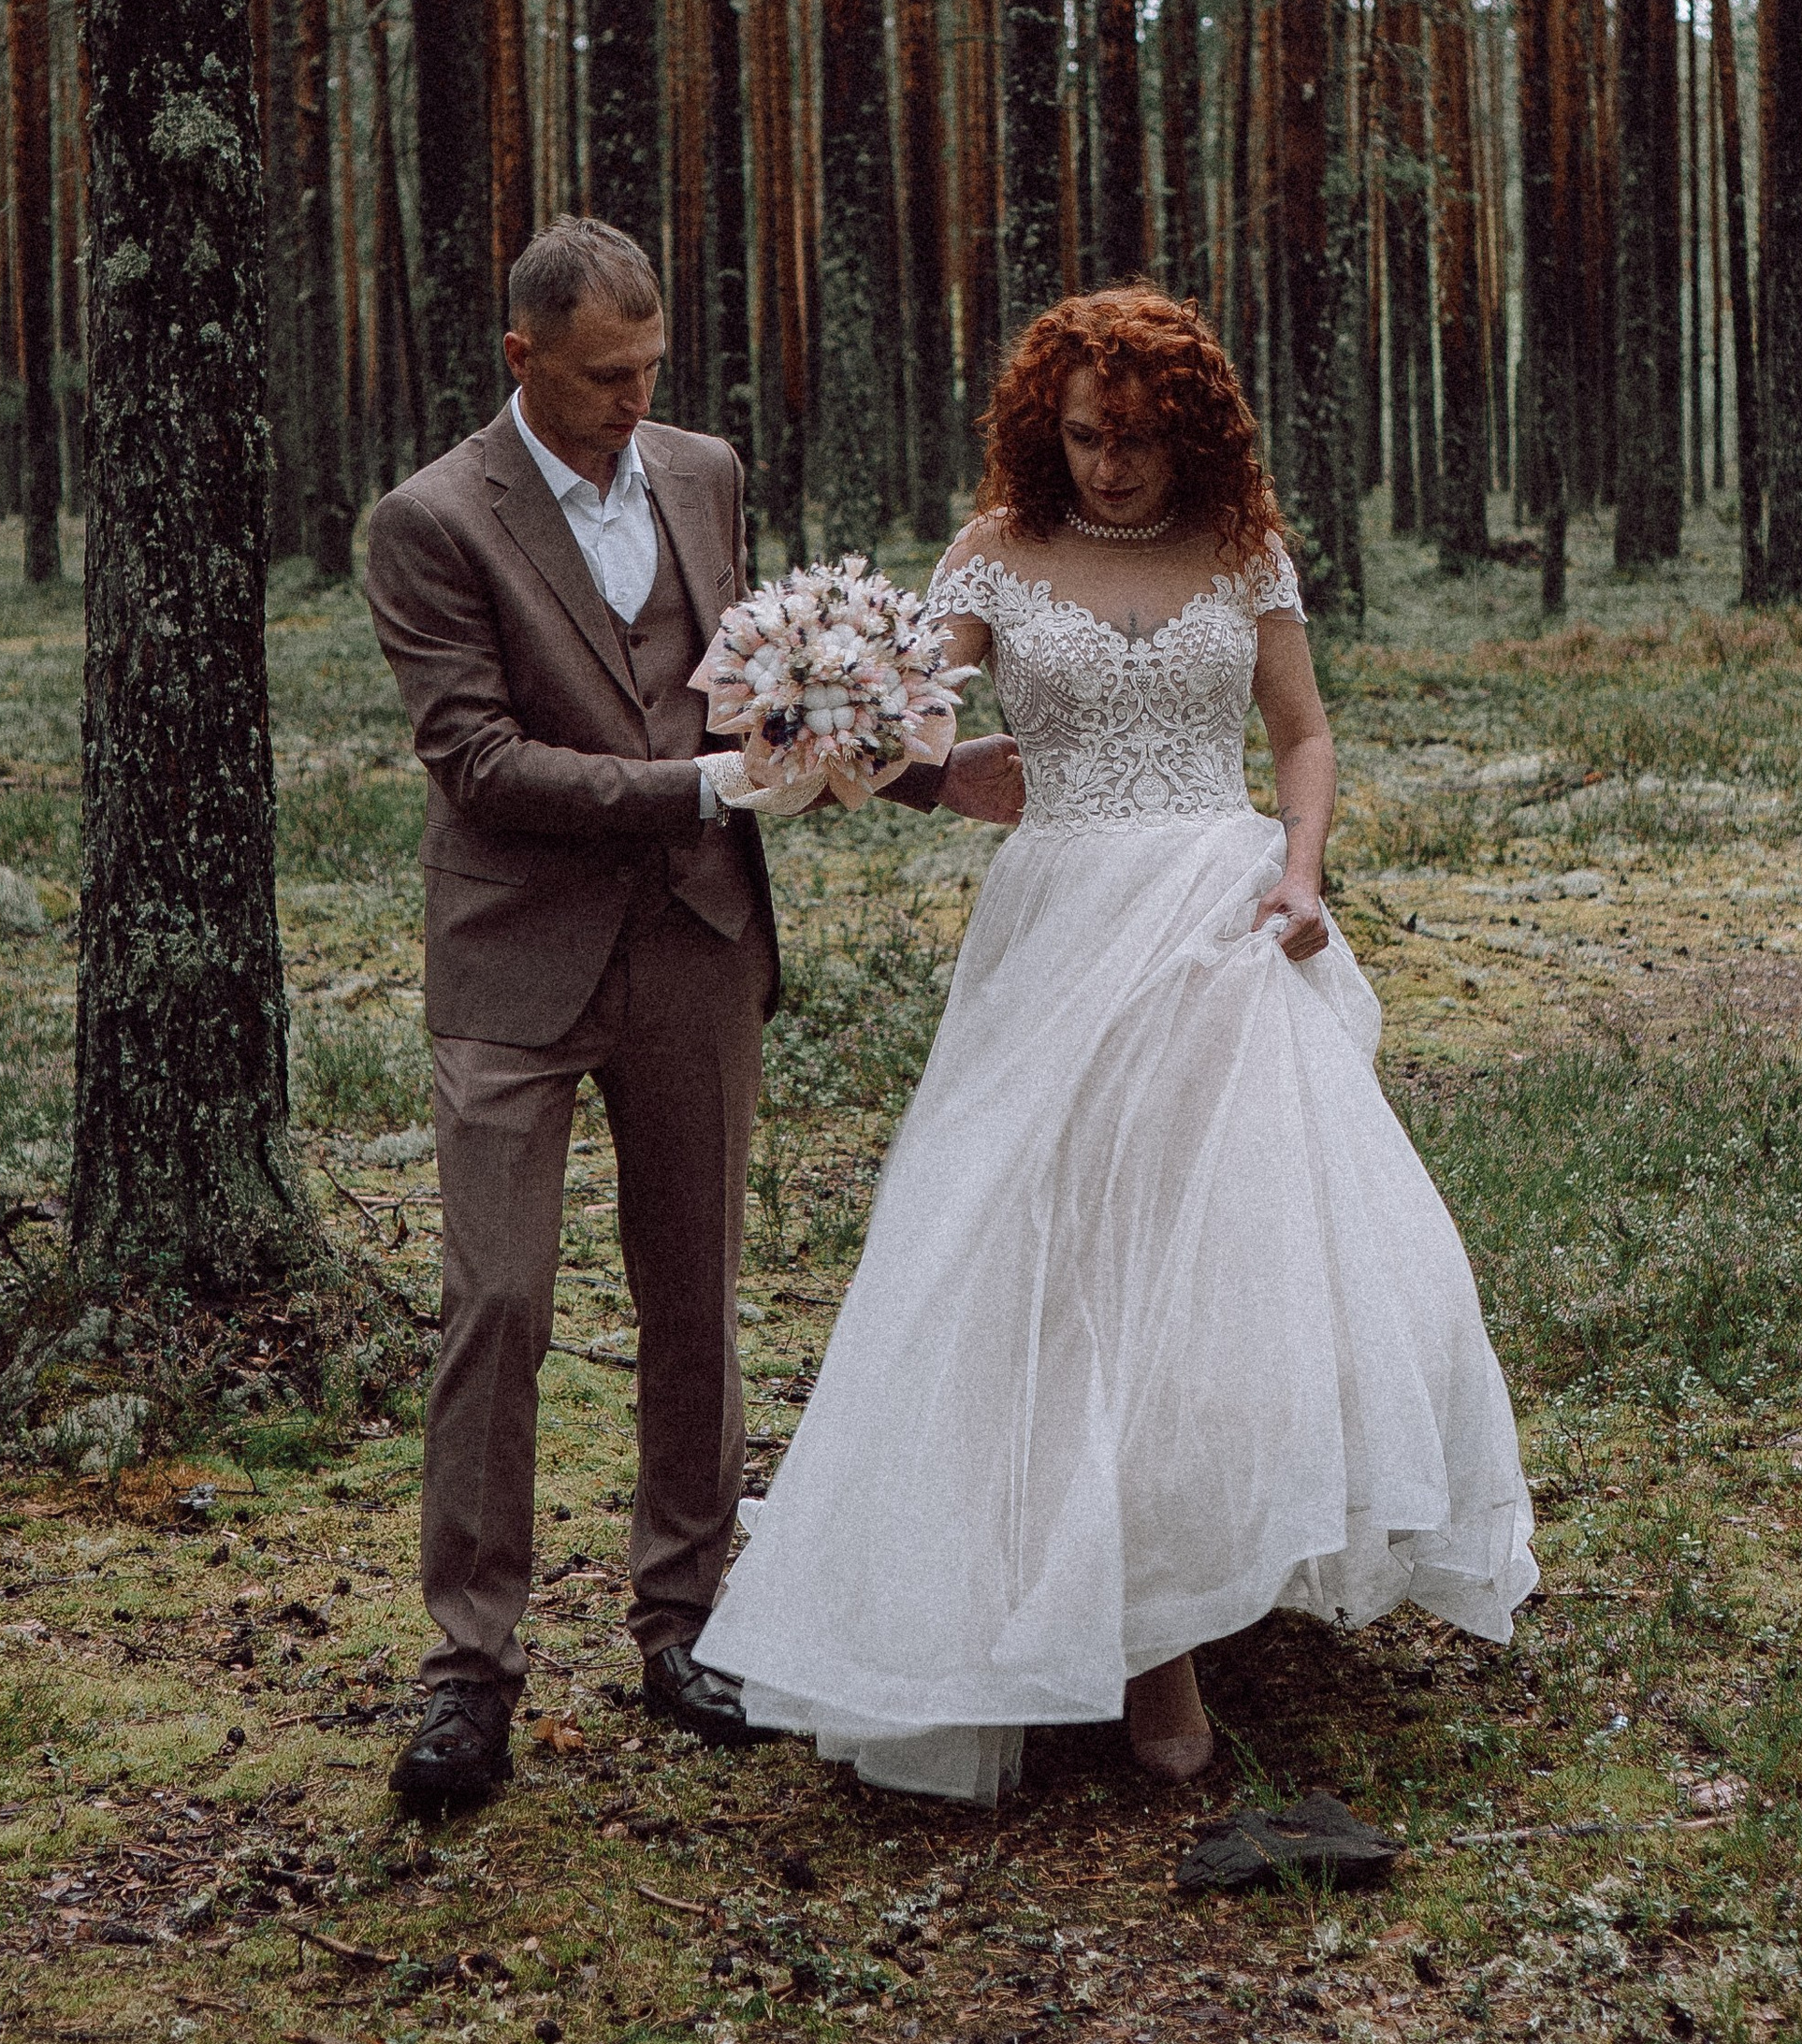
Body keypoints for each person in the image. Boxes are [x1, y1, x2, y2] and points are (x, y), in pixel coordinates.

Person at [696, 284, 1535, 1803]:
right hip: (1061, 929)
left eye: (1141, 437)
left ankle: (1194, 1582)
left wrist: (1301, 871)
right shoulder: (993, 557)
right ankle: (1119, 1633)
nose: (1113, 465)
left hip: (1220, 925)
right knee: (1062, 1253)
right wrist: (880, 748)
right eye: (1087, 436)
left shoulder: (1242, 551)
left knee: (1218, 1264)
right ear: (1050, 428)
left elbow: (1302, 733)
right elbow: (898, 728)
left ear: (1190, 432)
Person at [362, 217, 1021, 1810]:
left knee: (697, 1297)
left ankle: (687, 1621)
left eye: (651, 368)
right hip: (516, 960)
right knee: (499, 1303)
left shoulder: (705, 473)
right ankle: (469, 1672)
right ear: (521, 358)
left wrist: (927, 775)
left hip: (700, 940)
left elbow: (761, 697)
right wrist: (708, 789)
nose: (634, 399)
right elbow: (480, 764)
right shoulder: (431, 521)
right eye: (604, 376)